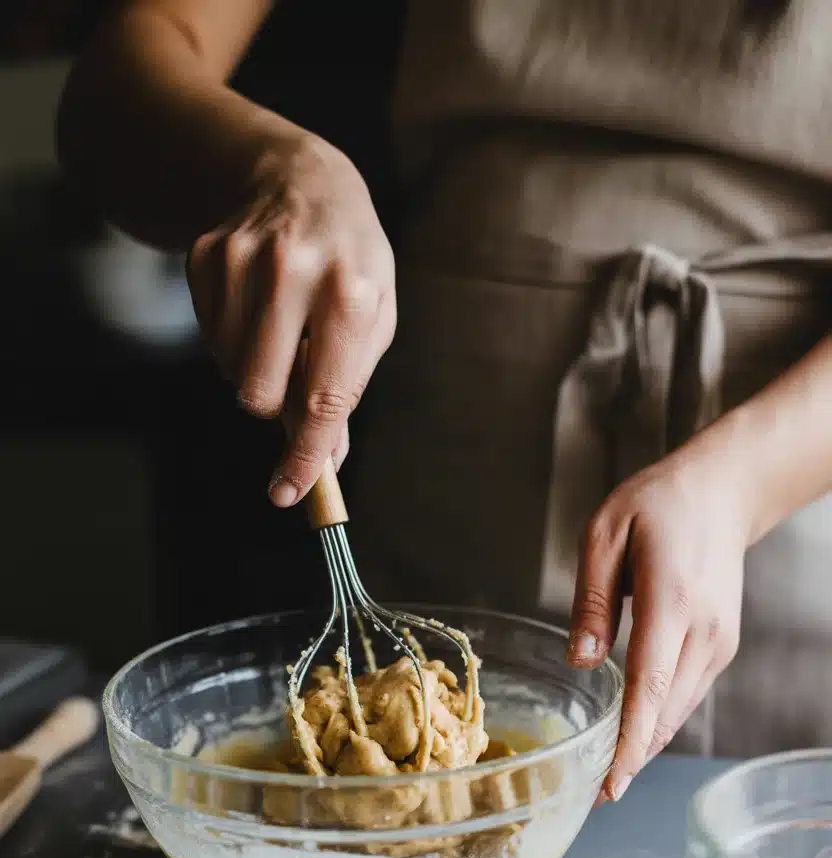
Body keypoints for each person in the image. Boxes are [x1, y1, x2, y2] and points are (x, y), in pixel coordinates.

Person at [58, 0, 832, 801]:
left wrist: (744, 486)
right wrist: (271, 164)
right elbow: (109, 94)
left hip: (793, 480)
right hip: (457, 453)